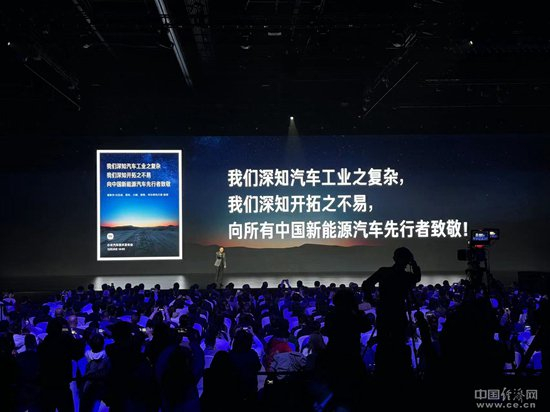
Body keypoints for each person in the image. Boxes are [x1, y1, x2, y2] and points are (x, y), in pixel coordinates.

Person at [361, 247, 421, 380]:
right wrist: (414, 264)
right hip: (398, 313)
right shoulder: (407, 276)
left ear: (394, 258)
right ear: (408, 260)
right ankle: (400, 373)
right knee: (399, 343)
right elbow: (417, 278)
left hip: (384, 312)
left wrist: (373, 301)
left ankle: (382, 372)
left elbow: (366, 285)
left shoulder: (384, 272)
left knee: (384, 342)